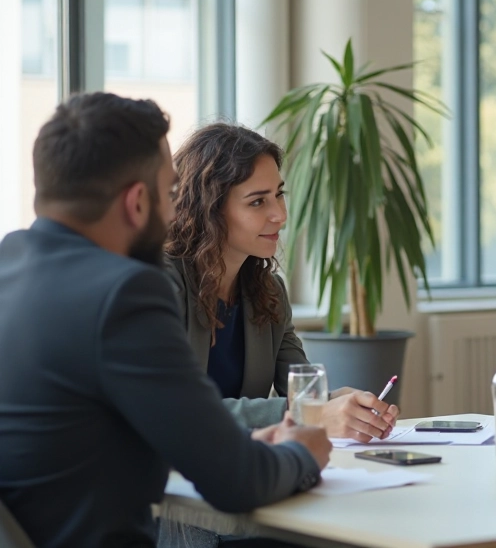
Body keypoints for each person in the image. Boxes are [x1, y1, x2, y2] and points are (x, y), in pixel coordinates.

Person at [0, 92, 332, 548]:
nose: (178, 210)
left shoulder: (9, 267)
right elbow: (237, 481)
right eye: (172, 193)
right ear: (138, 202)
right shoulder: (124, 293)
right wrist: (302, 452)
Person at [165, 123, 398, 442]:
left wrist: (341, 404)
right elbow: (177, 408)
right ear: (209, 209)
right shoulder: (160, 285)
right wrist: (312, 413)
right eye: (257, 202)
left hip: (242, 460)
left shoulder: (269, 291)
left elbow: (300, 392)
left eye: (278, 195)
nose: (280, 215)